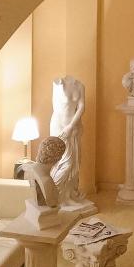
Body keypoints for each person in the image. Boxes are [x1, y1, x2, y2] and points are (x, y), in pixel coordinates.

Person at [49, 76, 87, 209]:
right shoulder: (58, 84)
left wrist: (72, 126)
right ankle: (55, 195)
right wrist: (67, 128)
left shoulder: (80, 85)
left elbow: (81, 107)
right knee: (64, 163)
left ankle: (68, 195)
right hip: (60, 128)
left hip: (74, 127)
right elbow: (57, 109)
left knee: (75, 164)